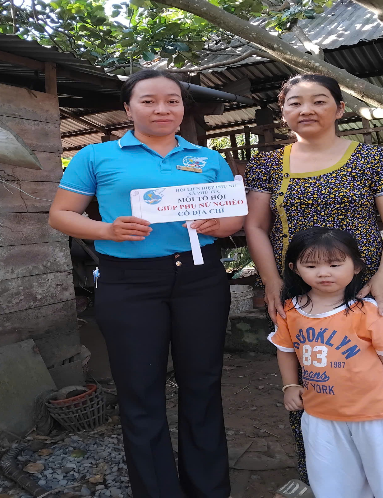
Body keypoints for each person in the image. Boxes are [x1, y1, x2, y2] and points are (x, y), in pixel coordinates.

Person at [48, 69, 244, 498]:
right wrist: (107, 230)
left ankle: (209, 489)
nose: (162, 109)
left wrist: (220, 224)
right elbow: (61, 215)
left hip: (199, 277)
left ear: (182, 108)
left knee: (202, 384)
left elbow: (234, 216)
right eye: (149, 101)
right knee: (140, 390)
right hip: (130, 282)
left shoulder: (207, 159)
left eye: (172, 101)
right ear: (128, 108)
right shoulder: (96, 156)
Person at [244, 73, 383, 482]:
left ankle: (382, 470)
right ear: (283, 112)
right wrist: (271, 281)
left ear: (339, 109)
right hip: (298, 291)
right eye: (295, 103)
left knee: (371, 373)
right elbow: (256, 226)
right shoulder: (267, 165)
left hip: (365, 288)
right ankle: (320, 474)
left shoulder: (374, 159)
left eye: (319, 101)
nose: (306, 110)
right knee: (310, 374)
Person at [269, 227, 383, 498]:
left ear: (356, 267)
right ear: (295, 269)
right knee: (332, 479)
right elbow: (285, 350)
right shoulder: (290, 310)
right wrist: (290, 385)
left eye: (335, 264)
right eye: (311, 266)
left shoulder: (368, 311)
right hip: (320, 414)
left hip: (374, 415)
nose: (324, 273)